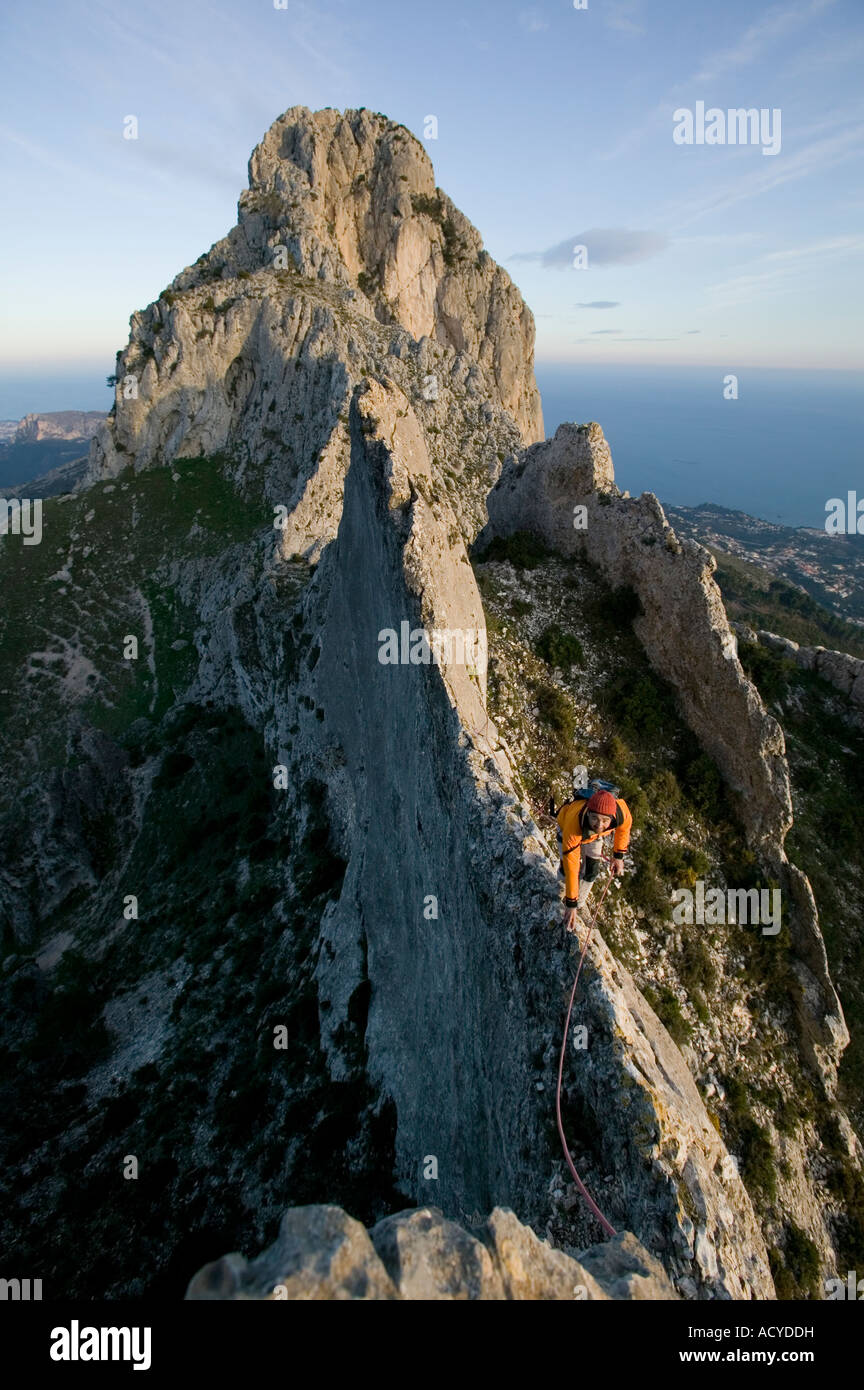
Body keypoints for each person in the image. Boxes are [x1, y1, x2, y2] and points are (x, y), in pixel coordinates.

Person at [557, 789, 632, 935]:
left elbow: (624, 829)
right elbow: (572, 866)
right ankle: (559, 894)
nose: (599, 824)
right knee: (567, 869)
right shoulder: (574, 825)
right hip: (565, 829)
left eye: (605, 820)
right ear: (588, 813)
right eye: (595, 818)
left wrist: (618, 855)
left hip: (593, 837)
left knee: (592, 870)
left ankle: (580, 903)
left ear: (612, 816)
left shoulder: (621, 812)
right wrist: (570, 903)